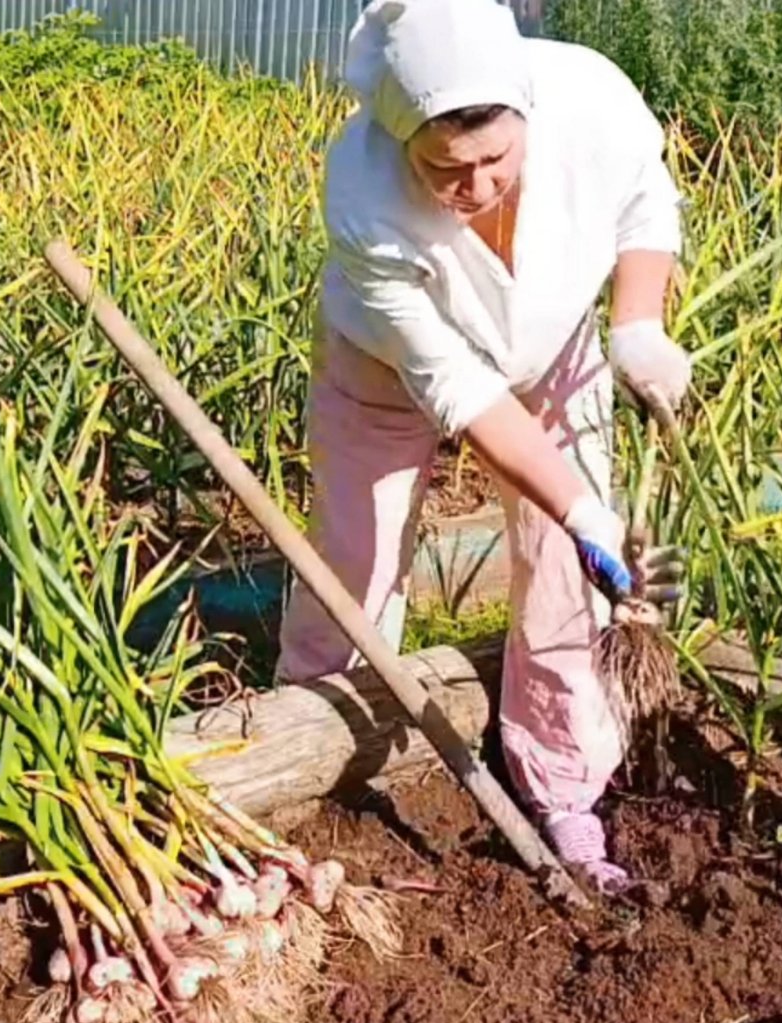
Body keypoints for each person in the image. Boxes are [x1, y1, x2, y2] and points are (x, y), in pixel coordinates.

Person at [275, 0, 691, 895]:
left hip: (554, 346)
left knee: (564, 572)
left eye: (495, 158)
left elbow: (645, 200)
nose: (475, 188)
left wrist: (639, 321)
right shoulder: (362, 189)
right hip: (392, 370)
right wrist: (583, 507)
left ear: (523, 113)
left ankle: (566, 782)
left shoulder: (589, 96)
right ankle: (305, 756)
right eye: (446, 170)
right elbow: (461, 391)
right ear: (403, 142)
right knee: (358, 555)